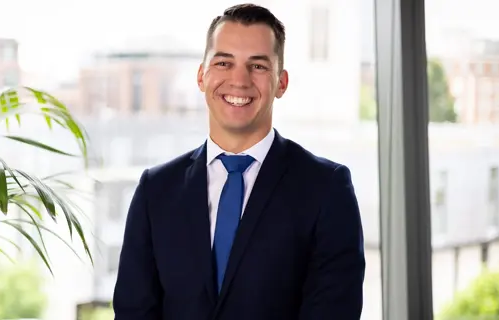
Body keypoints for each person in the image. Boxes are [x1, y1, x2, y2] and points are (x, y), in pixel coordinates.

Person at [113, 3, 365, 320]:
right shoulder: (156, 191)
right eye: (223, 62)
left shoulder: (327, 189)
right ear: (202, 76)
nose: (239, 80)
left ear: (281, 83)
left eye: (257, 66)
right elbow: (133, 313)